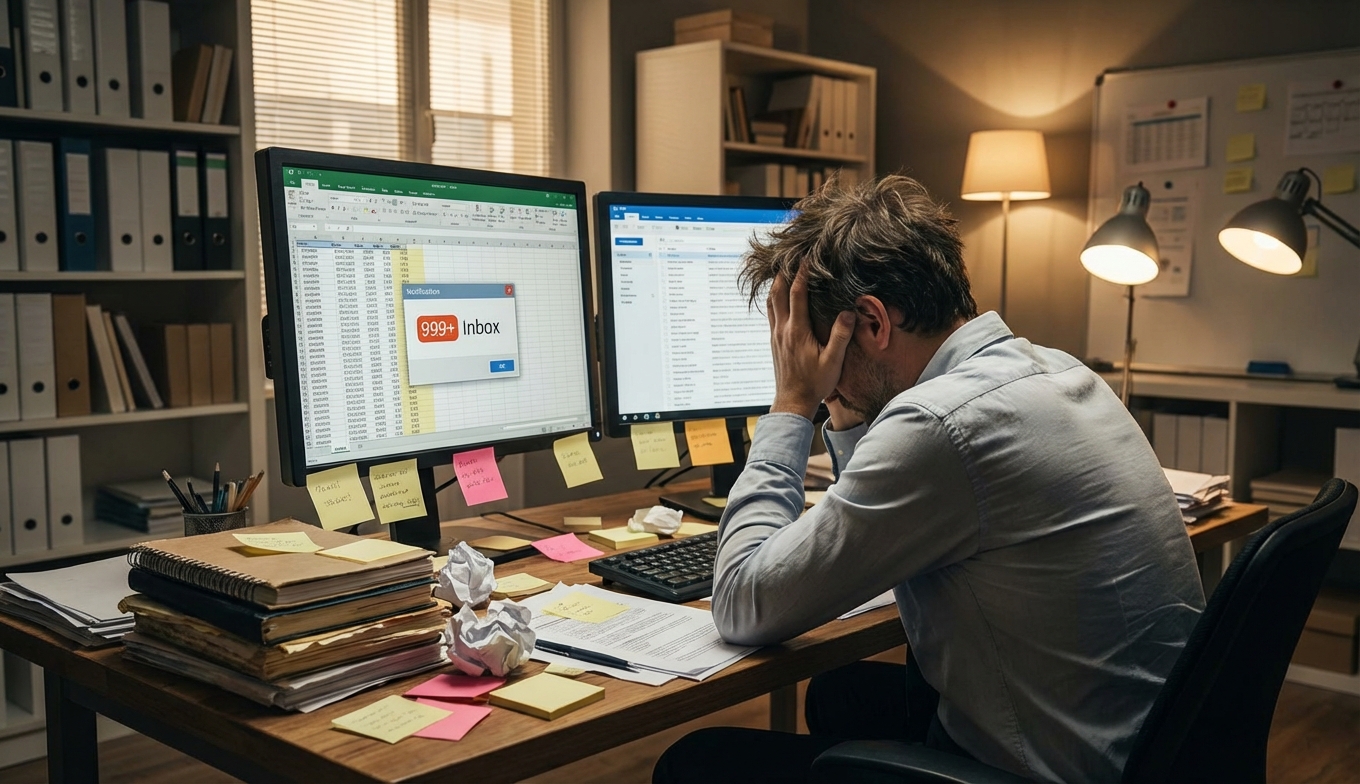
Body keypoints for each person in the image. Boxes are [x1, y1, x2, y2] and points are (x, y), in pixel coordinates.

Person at [653, 175, 1205, 784]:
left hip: (1054, 770)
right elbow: (866, 518)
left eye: (813, 348)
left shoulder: (940, 424)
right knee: (840, 693)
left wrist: (790, 405)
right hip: (1148, 748)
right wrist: (842, 400)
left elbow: (738, 601)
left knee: (697, 764)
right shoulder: (1053, 368)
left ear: (871, 321)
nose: (814, 372)